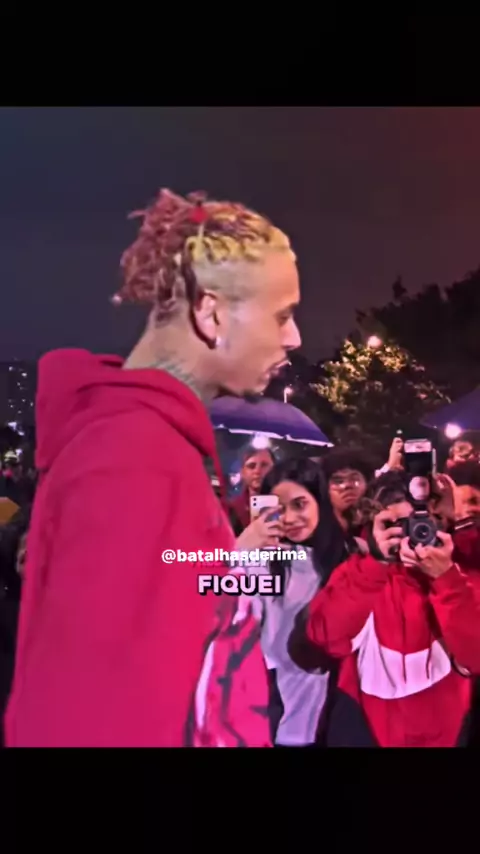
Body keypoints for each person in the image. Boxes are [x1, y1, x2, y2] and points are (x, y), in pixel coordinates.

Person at [6, 188, 301, 747]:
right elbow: (90, 718)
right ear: (212, 313)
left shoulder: (147, 445)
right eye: (283, 315)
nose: (294, 337)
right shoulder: (132, 457)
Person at [290, 470, 480, 747]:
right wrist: (375, 564)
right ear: (374, 524)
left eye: (423, 522)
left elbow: (475, 656)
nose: (414, 533)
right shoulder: (358, 573)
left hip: (446, 729)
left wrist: (445, 578)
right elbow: (326, 639)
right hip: (363, 724)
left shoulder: (463, 576)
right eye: (397, 524)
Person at [239, 459, 361, 747]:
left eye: (299, 504)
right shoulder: (261, 560)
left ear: (319, 502)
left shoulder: (352, 556)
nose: (290, 518)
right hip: (283, 721)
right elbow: (215, 604)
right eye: (278, 508)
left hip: (340, 717)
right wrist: (239, 550)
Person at [228, 445, 275, 534]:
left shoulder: (287, 505)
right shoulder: (232, 509)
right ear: (242, 472)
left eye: (264, 465)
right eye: (251, 466)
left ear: (274, 469)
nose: (257, 471)